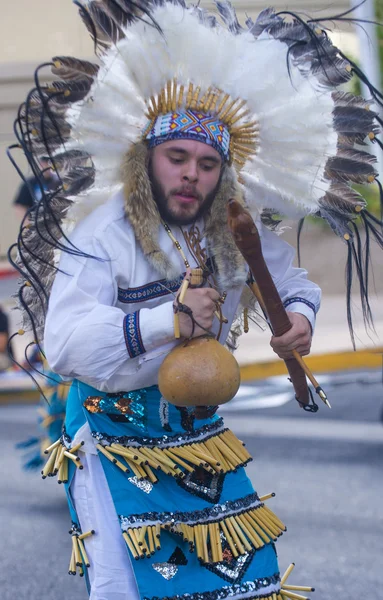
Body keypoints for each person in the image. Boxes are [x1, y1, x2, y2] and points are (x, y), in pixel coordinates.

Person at [10, 2, 382, 599]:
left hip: (199, 434)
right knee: (126, 589)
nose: (191, 175)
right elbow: (66, 343)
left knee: (244, 587)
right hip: (111, 439)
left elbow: (293, 286)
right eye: (176, 157)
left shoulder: (234, 229)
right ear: (145, 160)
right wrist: (166, 320)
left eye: (208, 164)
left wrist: (302, 322)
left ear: (223, 173)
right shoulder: (102, 234)